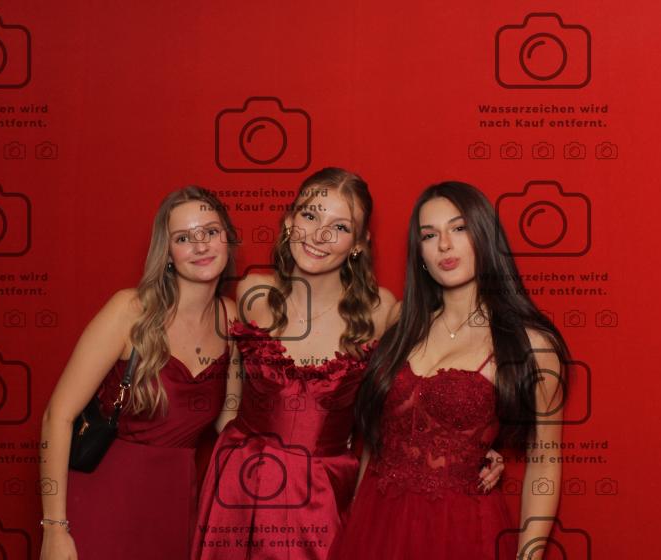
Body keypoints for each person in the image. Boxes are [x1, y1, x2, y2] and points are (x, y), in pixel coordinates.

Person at [193, 169, 505, 560]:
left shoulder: (383, 312)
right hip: (237, 491)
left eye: (339, 227)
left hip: (320, 497)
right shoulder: (251, 292)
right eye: (310, 216)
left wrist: (475, 448)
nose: (319, 235)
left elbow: (423, 384)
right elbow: (228, 400)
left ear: (358, 243)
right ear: (289, 221)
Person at [330, 181, 571, 560]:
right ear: (420, 253)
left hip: (460, 530)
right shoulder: (401, 321)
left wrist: (529, 556)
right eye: (429, 235)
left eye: (459, 228)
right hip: (375, 525)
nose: (444, 244)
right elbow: (375, 439)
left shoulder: (530, 344)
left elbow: (545, 462)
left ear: (485, 237)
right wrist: (355, 519)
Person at [39, 186, 243, 560]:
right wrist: (54, 528)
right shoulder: (129, 311)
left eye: (210, 232)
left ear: (227, 238)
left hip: (175, 508)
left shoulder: (230, 318)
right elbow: (58, 416)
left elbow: (230, 422)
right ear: (168, 253)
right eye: (184, 238)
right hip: (103, 500)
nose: (200, 245)